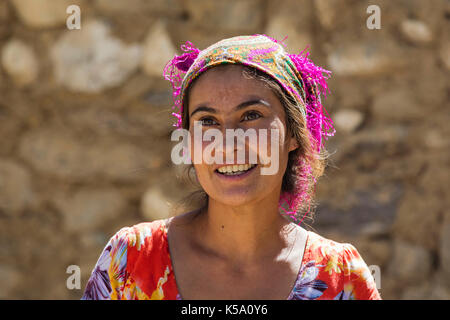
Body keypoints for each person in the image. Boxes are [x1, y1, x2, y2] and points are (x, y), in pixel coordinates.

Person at [81, 35, 381, 300]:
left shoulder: (340, 277)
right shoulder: (131, 262)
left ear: (293, 134)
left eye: (251, 115)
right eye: (207, 122)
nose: (227, 144)